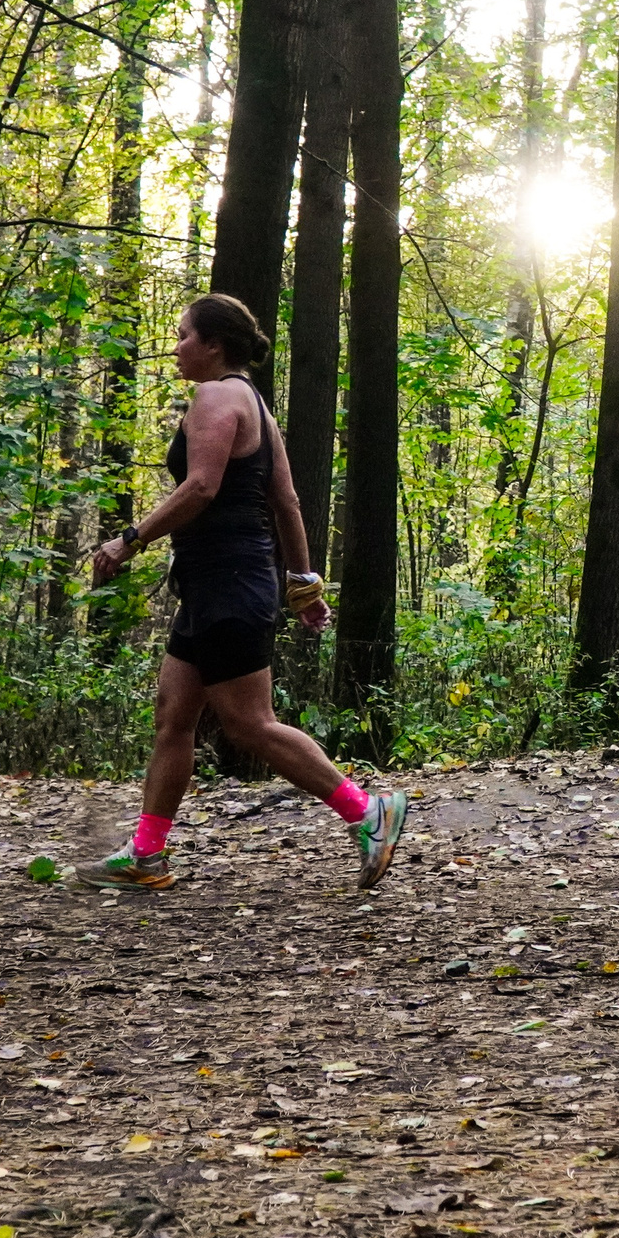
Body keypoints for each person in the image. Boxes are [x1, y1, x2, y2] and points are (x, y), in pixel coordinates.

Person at [75, 292, 407, 892]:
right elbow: (286, 502)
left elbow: (200, 486)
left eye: (183, 335)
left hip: (229, 585)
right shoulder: (254, 402)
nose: (175, 347)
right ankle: (146, 853)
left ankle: (367, 811)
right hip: (218, 587)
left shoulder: (215, 396)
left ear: (213, 344)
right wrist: (304, 586)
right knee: (174, 716)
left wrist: (130, 539)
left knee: (250, 724)